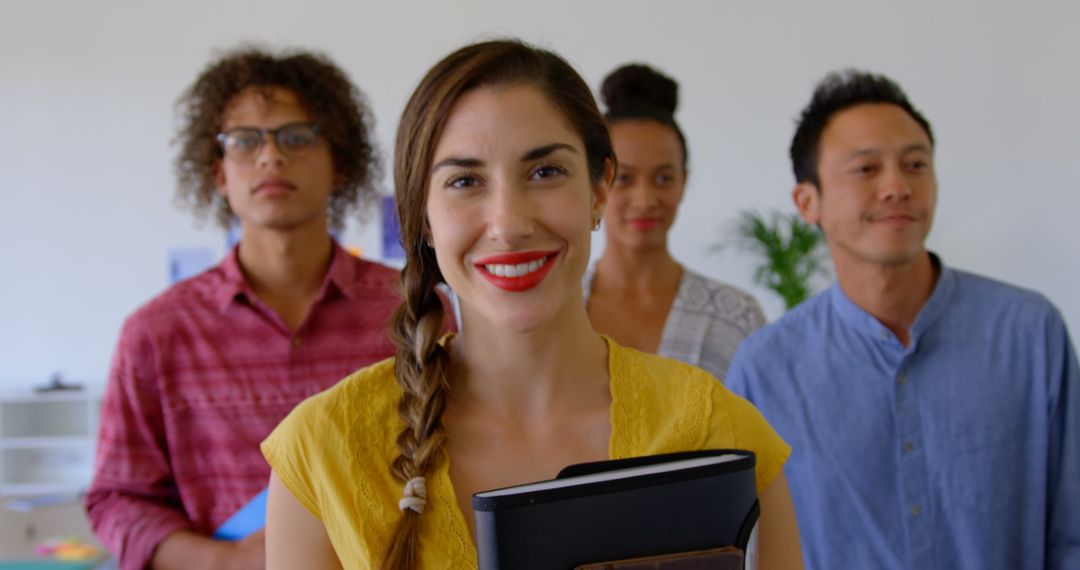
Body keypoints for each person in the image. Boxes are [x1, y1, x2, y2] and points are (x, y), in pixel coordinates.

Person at [261, 40, 804, 569]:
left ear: (598, 189)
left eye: (545, 172)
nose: (509, 224)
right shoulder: (323, 453)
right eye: (465, 180)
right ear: (423, 217)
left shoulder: (717, 433)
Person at [726, 69, 1080, 569]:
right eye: (866, 169)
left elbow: (1072, 534)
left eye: (915, 164)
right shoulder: (765, 370)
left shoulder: (1028, 333)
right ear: (808, 202)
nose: (897, 186)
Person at [85, 47, 411, 570]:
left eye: (296, 136)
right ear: (219, 175)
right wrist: (226, 560)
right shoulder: (156, 332)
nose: (270, 156)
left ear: (340, 165)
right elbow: (117, 500)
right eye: (245, 141)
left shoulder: (413, 311)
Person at [585, 63, 765, 382]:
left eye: (663, 178)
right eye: (624, 178)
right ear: (596, 185)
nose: (645, 199)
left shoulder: (736, 317)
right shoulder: (556, 305)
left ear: (684, 181)